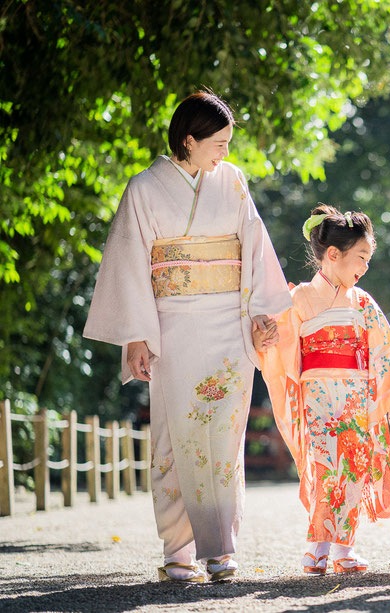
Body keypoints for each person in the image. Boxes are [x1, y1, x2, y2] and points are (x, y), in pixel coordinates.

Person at [83, 92, 292, 582]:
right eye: (217, 143)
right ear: (189, 140)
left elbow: (255, 247)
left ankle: (220, 550)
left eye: (228, 143)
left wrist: (262, 314)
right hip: (171, 324)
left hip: (228, 325)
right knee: (174, 437)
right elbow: (132, 264)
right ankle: (178, 550)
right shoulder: (144, 188)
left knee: (223, 436)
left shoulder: (234, 181)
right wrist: (136, 336)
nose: (225, 152)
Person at [255, 205, 390, 575]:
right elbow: (279, 348)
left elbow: (384, 353)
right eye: (361, 257)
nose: (365, 267)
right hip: (319, 399)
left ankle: (343, 549)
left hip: (357, 398)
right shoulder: (297, 300)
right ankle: (317, 547)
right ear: (333, 255)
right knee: (325, 468)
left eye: (368, 259)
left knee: (355, 470)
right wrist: (264, 338)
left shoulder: (363, 303)